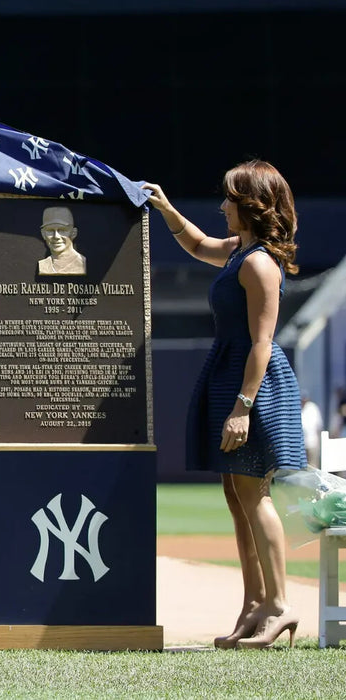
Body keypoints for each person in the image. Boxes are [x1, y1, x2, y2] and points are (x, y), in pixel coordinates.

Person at [145, 160, 305, 650]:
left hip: (253, 385)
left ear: (251, 205)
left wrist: (243, 406)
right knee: (237, 497)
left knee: (255, 494)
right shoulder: (240, 251)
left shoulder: (258, 264)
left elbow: (263, 343)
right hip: (231, 376)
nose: (221, 206)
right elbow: (197, 244)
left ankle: (279, 606)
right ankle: (253, 603)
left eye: (229, 199)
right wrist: (166, 208)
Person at [36, 205, 86, 275]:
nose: (56, 236)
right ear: (43, 234)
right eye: (50, 230)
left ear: (73, 233)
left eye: (62, 230)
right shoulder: (43, 265)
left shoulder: (81, 263)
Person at [300, 395, 324, 466]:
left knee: (313, 465)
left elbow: (318, 426)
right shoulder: (298, 408)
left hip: (312, 443)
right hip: (302, 445)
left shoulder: (313, 408)